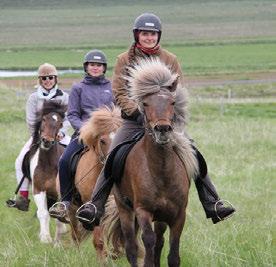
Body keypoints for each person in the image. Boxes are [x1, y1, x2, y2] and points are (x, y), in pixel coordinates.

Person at [76, 13, 236, 229]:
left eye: (152, 34)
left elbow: (177, 92)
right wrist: (137, 112)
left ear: (158, 35)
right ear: (137, 35)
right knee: (114, 153)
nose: (149, 37)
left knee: (193, 152)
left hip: (165, 120)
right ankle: (95, 205)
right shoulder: (125, 59)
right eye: (145, 34)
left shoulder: (170, 59)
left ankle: (212, 202)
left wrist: (165, 115)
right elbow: (119, 92)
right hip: (134, 120)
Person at [49, 49, 114, 219]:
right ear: (86, 67)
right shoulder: (78, 88)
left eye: (99, 65)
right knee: (64, 160)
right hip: (83, 134)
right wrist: (87, 129)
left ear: (104, 68)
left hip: (108, 135)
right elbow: (72, 115)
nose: (95, 68)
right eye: (92, 65)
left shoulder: (111, 87)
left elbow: (118, 111)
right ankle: (65, 201)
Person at [13, 63, 70, 211]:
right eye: (44, 78)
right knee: (20, 160)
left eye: (50, 77)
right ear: (40, 80)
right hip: (39, 136)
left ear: (55, 78)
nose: (47, 80)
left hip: (60, 136)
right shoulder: (33, 98)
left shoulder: (64, 97)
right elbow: (31, 120)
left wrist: (61, 132)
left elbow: (68, 118)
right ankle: (24, 197)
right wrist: (39, 135)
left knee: (75, 156)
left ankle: (73, 192)